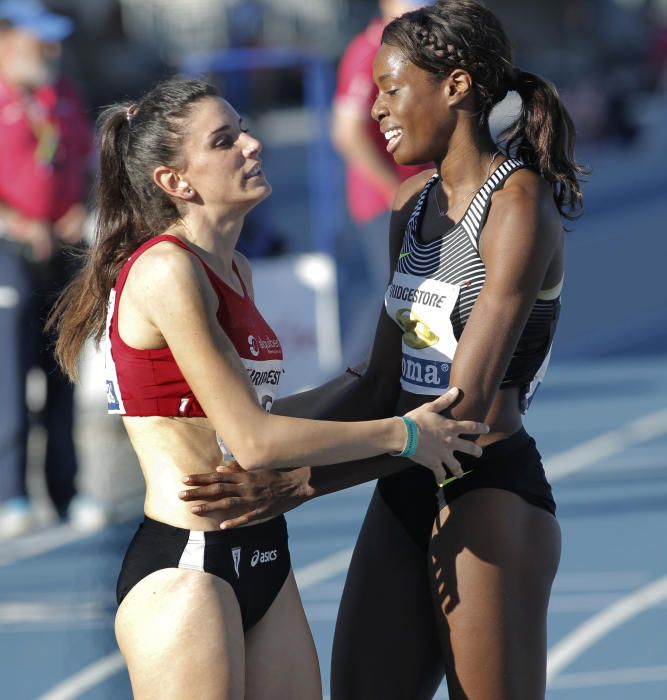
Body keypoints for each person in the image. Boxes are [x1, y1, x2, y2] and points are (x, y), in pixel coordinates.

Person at [180, 1, 586, 697]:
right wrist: (234, 430)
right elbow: (376, 383)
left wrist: (296, 483)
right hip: (403, 477)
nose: (375, 110)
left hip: (484, 487)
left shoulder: (517, 205)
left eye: (391, 89)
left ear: (455, 85)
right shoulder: (410, 203)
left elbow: (463, 419)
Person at [46, 77, 488, 699]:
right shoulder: (167, 269)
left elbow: (259, 415)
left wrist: (373, 397)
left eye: (243, 129)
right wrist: (405, 434)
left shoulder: (235, 267)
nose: (253, 145)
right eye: (225, 141)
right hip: (189, 564)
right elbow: (253, 441)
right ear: (176, 182)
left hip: (263, 553)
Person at [0, 0, 101, 536]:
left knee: (62, 366)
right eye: (40, 38)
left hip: (58, 250)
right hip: (8, 253)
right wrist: (16, 222)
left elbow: (84, 163)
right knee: (9, 375)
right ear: (7, 39)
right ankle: (10, 495)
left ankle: (67, 491)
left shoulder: (59, 94)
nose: (52, 50)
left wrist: (79, 207)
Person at [332, 0, 433, 357]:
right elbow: (346, 132)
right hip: (384, 199)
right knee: (394, 288)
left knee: (423, 287)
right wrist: (394, 190)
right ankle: (348, 380)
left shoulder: (420, 47)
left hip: (418, 191)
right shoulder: (369, 51)